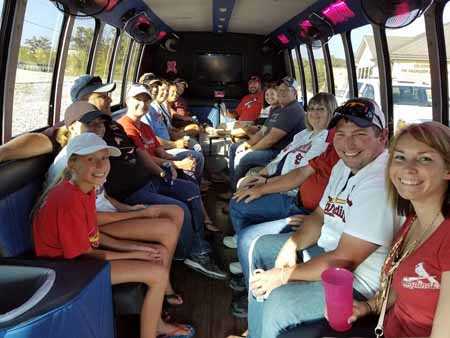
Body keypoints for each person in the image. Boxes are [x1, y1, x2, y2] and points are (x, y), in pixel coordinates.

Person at [229, 98, 395, 337]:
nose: (348, 143)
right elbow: (319, 215)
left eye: (359, 133)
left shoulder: (379, 182)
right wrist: (290, 245)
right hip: (327, 251)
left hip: (358, 282)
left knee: (279, 301)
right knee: (261, 247)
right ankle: (256, 331)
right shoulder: (343, 166)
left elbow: (344, 260)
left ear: (383, 137)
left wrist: (283, 275)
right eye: (340, 133)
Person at [33, 133, 194, 338]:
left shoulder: (86, 189)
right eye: (91, 159)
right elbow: (86, 254)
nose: (101, 165)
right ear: (73, 164)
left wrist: (137, 249)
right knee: (157, 273)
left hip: (79, 260)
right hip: (63, 271)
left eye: (105, 158)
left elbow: (93, 235)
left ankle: (156, 325)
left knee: (159, 253)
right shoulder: (67, 200)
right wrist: (133, 255)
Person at [47, 102, 186, 305]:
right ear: (71, 127)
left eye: (100, 124)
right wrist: (138, 215)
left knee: (176, 212)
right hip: (97, 225)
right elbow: (87, 224)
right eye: (89, 124)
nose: (97, 128)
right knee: (166, 228)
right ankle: (162, 285)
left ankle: (162, 283)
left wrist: (128, 209)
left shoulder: (94, 157)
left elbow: (103, 197)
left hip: (103, 218)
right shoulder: (72, 168)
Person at [341, 122, 450, 338]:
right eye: (399, 157)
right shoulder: (413, 219)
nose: (407, 168)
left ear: (448, 169)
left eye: (425, 158)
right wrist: (369, 307)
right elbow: (403, 283)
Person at [119, 84, 219, 232]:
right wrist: (177, 164)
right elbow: (145, 159)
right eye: (137, 99)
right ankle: (199, 233)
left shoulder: (145, 127)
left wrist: (176, 162)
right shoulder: (125, 126)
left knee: (191, 185)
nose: (142, 104)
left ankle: (200, 232)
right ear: (127, 101)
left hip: (158, 173)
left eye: (146, 100)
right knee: (182, 206)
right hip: (147, 179)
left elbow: (161, 152)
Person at [227, 76, 306, 189]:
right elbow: (263, 132)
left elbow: (271, 140)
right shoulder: (277, 109)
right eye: (279, 90)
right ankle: (232, 182)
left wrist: (249, 150)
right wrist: (246, 144)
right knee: (235, 147)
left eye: (286, 90)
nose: (281, 92)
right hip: (272, 148)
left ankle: (234, 192)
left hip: (280, 154)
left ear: (294, 93)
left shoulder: (292, 109)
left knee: (242, 158)